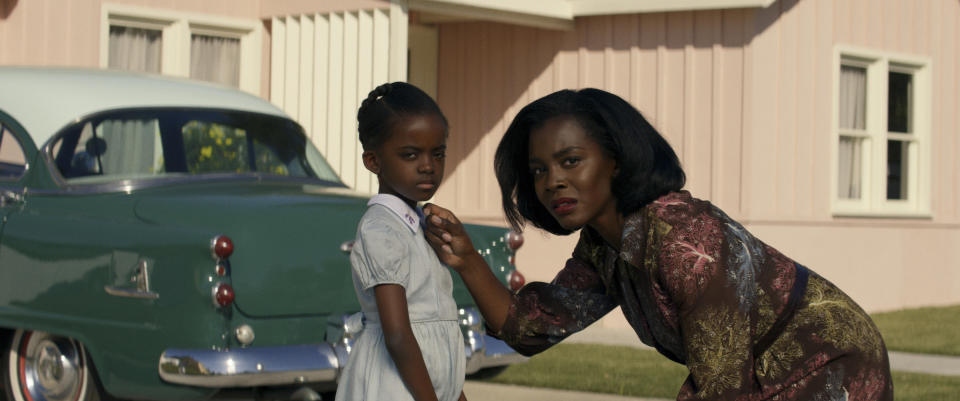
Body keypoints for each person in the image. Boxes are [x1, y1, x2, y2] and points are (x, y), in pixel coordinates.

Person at [423, 88, 893, 400]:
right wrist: (465, 258)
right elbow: (529, 329)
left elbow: (722, 389)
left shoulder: (687, 245)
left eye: (570, 161)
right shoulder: (604, 245)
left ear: (617, 161)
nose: (553, 182)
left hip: (829, 365)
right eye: (540, 169)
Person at [336, 82, 467, 401]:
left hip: (425, 386)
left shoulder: (421, 225)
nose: (428, 166)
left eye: (438, 154)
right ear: (373, 161)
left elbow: (434, 324)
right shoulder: (381, 229)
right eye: (410, 154)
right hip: (394, 387)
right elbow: (397, 333)